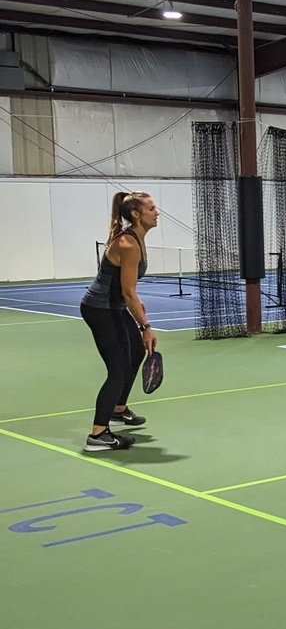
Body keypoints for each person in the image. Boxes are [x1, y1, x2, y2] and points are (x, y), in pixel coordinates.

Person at [80, 191, 159, 451]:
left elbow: (127, 290)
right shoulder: (128, 244)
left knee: (136, 352)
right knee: (117, 369)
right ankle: (98, 434)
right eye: (151, 208)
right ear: (136, 214)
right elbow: (127, 291)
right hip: (99, 309)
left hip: (114, 306)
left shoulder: (138, 239)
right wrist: (145, 326)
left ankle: (118, 408)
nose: (156, 212)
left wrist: (132, 306)